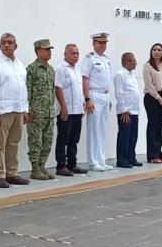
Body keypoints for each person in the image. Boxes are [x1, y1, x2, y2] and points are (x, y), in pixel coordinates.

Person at [0, 33, 30, 188]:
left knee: (14, 143)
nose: (6, 45)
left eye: (10, 42)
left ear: (15, 46)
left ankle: (11, 173)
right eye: (3, 43)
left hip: (18, 109)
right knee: (0, 145)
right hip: (3, 110)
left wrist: (25, 109)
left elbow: (23, 88)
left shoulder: (20, 64)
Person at [54, 44, 88, 177]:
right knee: (63, 138)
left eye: (77, 53)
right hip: (66, 110)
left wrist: (83, 103)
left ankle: (72, 164)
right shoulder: (61, 69)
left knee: (74, 139)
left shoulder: (77, 69)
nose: (75, 56)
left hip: (77, 110)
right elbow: (58, 88)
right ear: (65, 54)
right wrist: (63, 107)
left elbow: (78, 89)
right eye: (73, 53)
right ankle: (61, 166)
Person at [81, 32, 113, 172]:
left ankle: (101, 159)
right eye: (100, 42)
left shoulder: (106, 59)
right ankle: (93, 162)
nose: (102, 45)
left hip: (105, 96)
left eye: (104, 42)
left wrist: (109, 97)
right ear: (94, 44)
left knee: (102, 129)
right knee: (94, 130)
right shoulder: (90, 59)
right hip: (94, 95)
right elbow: (85, 79)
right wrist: (87, 99)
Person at [26, 39, 57, 181]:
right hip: (36, 112)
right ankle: (35, 169)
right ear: (38, 51)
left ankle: (42, 166)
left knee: (47, 141)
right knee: (35, 141)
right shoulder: (31, 69)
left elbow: (52, 91)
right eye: (46, 49)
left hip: (49, 112)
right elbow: (28, 91)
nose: (49, 52)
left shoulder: (51, 70)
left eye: (50, 49)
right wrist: (27, 110)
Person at [142, 43, 162, 164]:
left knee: (159, 126)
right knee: (153, 125)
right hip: (152, 98)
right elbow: (149, 86)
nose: (156, 52)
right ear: (151, 52)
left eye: (159, 50)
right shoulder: (147, 66)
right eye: (154, 50)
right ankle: (152, 154)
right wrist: (160, 99)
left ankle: (159, 151)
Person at [114, 52, 141, 169]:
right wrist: (124, 109)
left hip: (134, 111)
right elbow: (119, 93)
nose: (136, 63)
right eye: (134, 60)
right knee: (124, 136)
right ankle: (122, 159)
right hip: (125, 111)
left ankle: (131, 157)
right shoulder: (120, 75)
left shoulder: (132, 75)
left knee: (133, 136)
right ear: (127, 61)